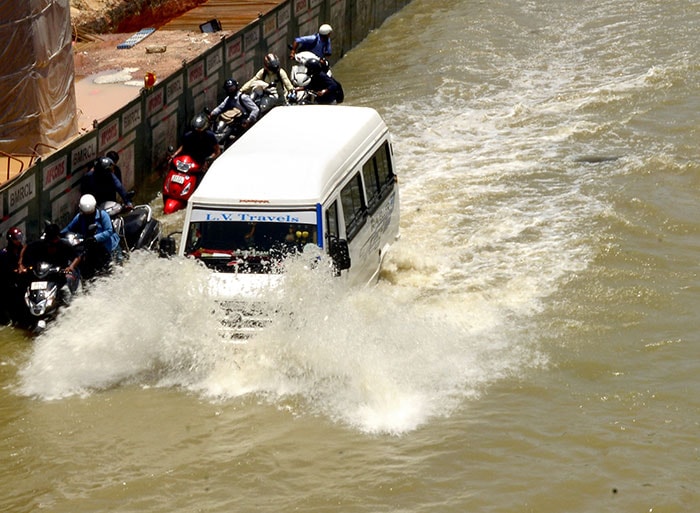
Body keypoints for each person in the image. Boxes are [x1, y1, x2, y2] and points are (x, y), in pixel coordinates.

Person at [20, 223, 81, 302]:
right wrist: (20, 264)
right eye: (49, 239)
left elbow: (77, 257)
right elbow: (26, 247)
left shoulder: (64, 245)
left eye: (53, 239)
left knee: (67, 288)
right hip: (45, 273)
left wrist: (71, 267)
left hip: (60, 273)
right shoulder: (41, 243)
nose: (51, 242)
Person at [62, 194, 120, 275]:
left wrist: (95, 238)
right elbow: (69, 228)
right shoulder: (80, 217)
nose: (88, 215)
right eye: (85, 213)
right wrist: (58, 234)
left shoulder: (102, 215)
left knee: (115, 271)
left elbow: (109, 231)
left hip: (107, 248)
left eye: (90, 213)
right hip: (90, 248)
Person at [0, 227, 27, 324]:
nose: (19, 241)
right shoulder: (4, 254)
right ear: (11, 240)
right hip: (8, 286)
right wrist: (15, 270)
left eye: (20, 237)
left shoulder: (23, 250)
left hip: (21, 284)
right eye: (17, 238)